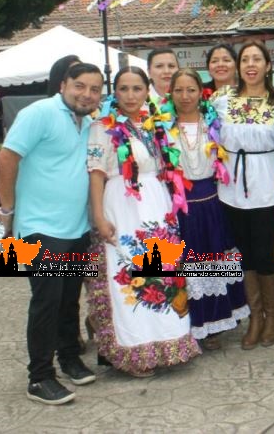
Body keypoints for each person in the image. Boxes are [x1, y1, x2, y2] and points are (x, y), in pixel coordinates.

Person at [0, 62, 104, 404]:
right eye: (80, 86)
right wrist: (8, 211)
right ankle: (39, 377)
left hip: (76, 226)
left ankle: (69, 357)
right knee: (47, 299)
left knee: (68, 296)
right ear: (63, 85)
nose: (86, 94)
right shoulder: (39, 112)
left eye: (95, 89)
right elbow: (7, 158)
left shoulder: (89, 123)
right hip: (40, 227)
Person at [86, 66, 200, 377]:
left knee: (162, 273)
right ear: (115, 92)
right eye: (124, 89)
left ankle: (167, 343)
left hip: (156, 204)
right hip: (121, 205)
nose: (131, 95)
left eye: (137, 88)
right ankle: (133, 351)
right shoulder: (103, 126)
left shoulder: (155, 123)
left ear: (146, 89)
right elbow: (96, 172)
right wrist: (98, 215)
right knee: (128, 272)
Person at [168, 68, 247, 350]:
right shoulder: (162, 125)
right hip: (179, 203)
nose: (185, 96)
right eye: (179, 90)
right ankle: (188, 324)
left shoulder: (214, 123)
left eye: (191, 90)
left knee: (211, 260)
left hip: (211, 200)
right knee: (187, 264)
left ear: (200, 92)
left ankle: (215, 322)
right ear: (171, 93)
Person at [214, 41, 274, 349]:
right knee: (244, 255)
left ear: (268, 65)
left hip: (267, 183)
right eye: (245, 59)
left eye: (258, 58)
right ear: (238, 66)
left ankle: (273, 316)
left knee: (264, 253)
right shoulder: (221, 100)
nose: (251, 64)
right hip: (230, 187)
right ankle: (255, 317)